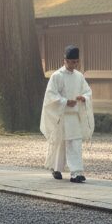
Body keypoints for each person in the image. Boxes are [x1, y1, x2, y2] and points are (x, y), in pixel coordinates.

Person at [41, 45, 92, 183]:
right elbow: (50, 95)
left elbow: (87, 91)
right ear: (65, 60)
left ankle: (76, 172)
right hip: (61, 115)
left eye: (76, 62)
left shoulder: (79, 76)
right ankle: (56, 168)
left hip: (74, 116)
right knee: (60, 143)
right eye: (71, 62)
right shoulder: (57, 76)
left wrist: (84, 98)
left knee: (74, 142)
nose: (74, 64)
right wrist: (64, 101)